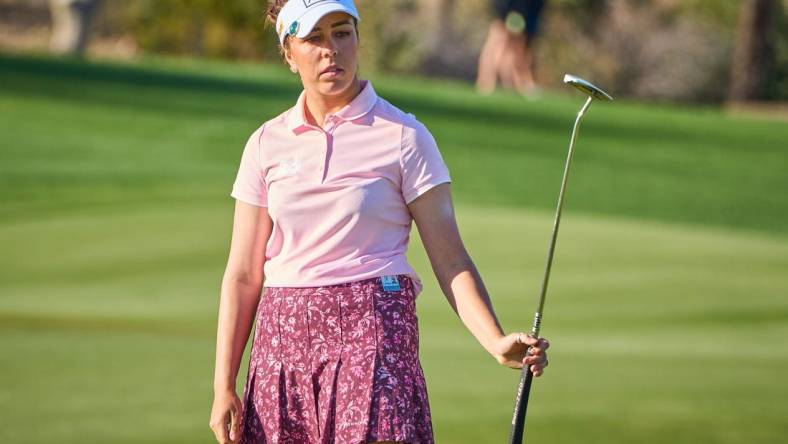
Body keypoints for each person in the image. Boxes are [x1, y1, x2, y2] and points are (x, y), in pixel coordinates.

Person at [209, 1, 550, 443]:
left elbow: (449, 257)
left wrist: (494, 339)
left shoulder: (404, 135)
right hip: (280, 351)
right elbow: (242, 274)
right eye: (314, 38)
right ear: (289, 54)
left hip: (373, 341)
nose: (331, 49)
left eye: (342, 33)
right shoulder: (264, 144)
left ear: (357, 39)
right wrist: (223, 385)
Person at [476, 0, 547, 97]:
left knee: (520, 49)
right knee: (498, 41)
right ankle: (486, 83)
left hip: (525, 11)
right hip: (509, 9)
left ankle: (515, 84)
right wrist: (510, 12)